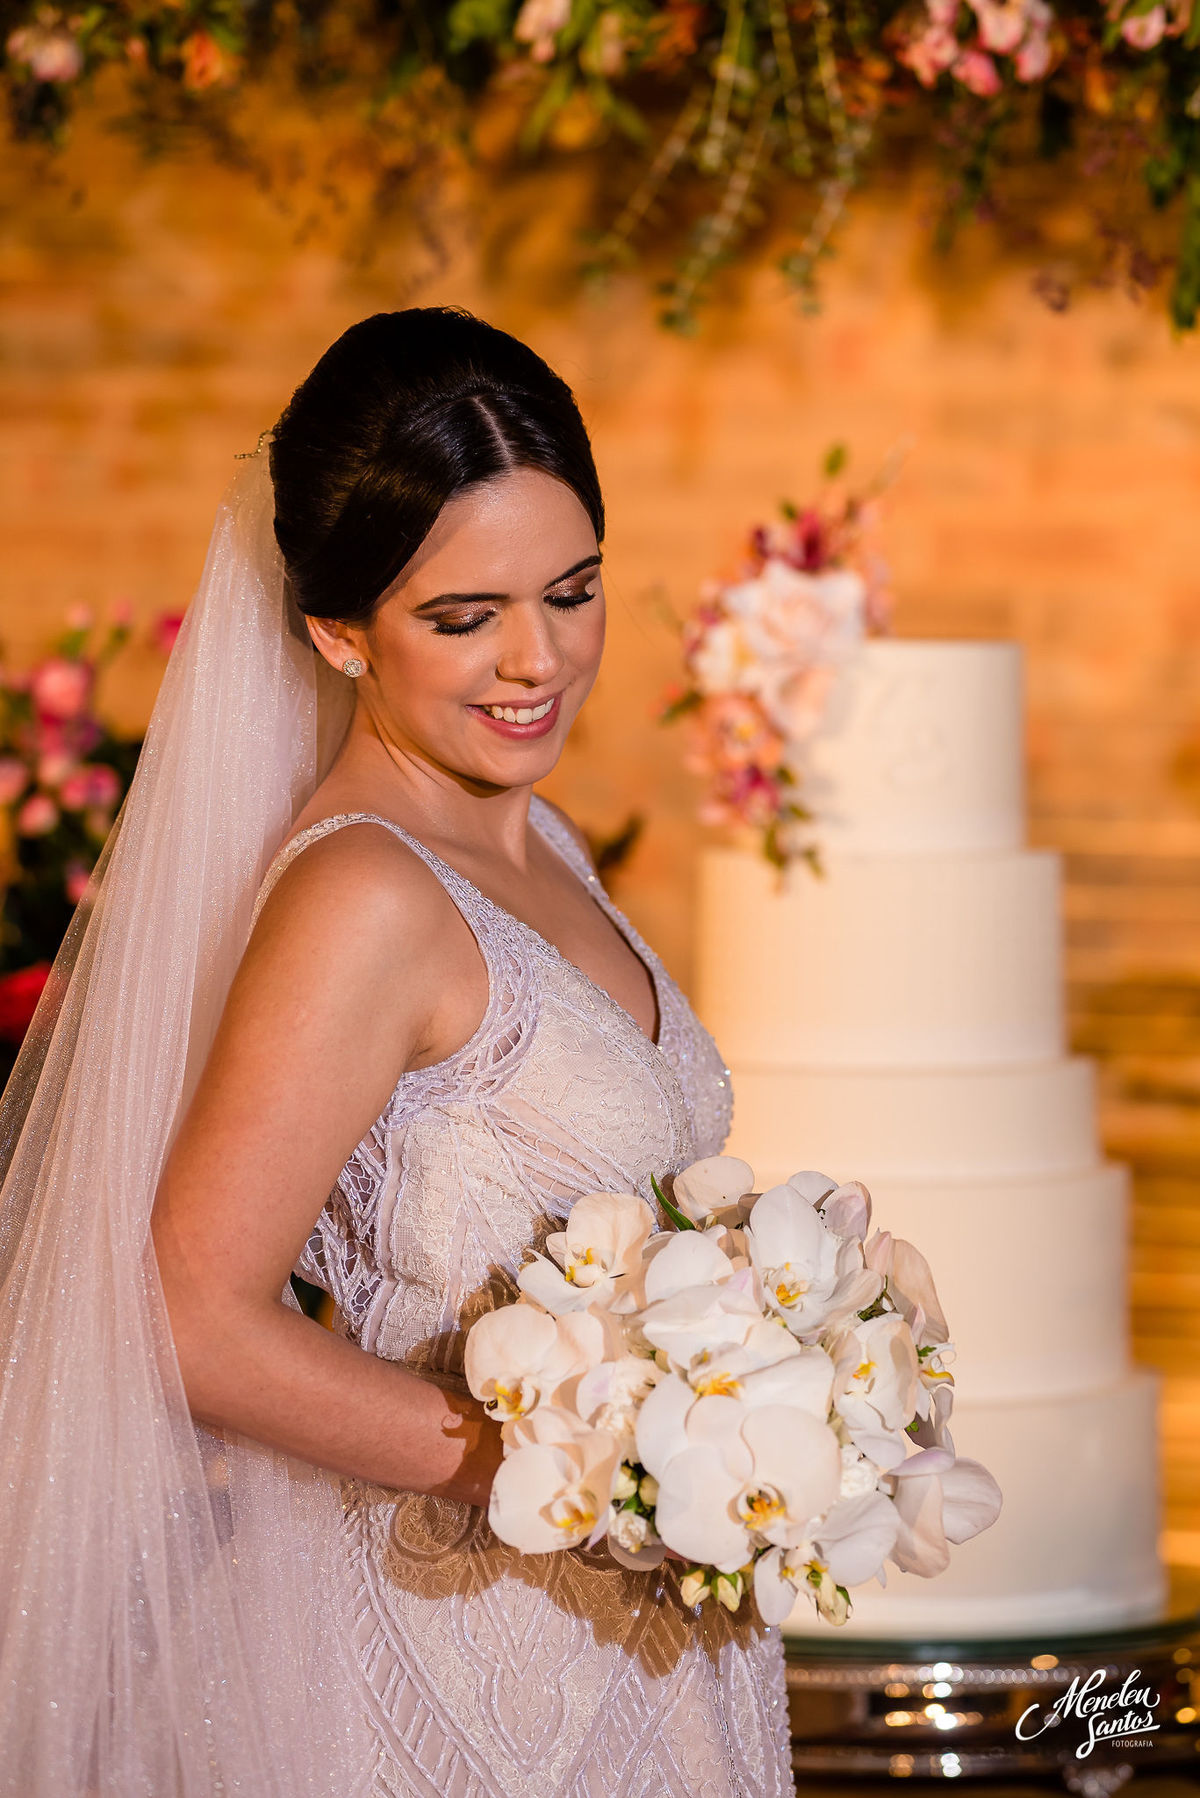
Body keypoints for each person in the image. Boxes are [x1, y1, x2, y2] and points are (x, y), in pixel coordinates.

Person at [0, 307, 792, 1796]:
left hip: (630, 1628)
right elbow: (189, 1311)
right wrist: (581, 1469)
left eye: (572, 590)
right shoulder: (363, 891)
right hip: (462, 1641)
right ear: (336, 628)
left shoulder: (537, 835)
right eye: (463, 614)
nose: (537, 658)